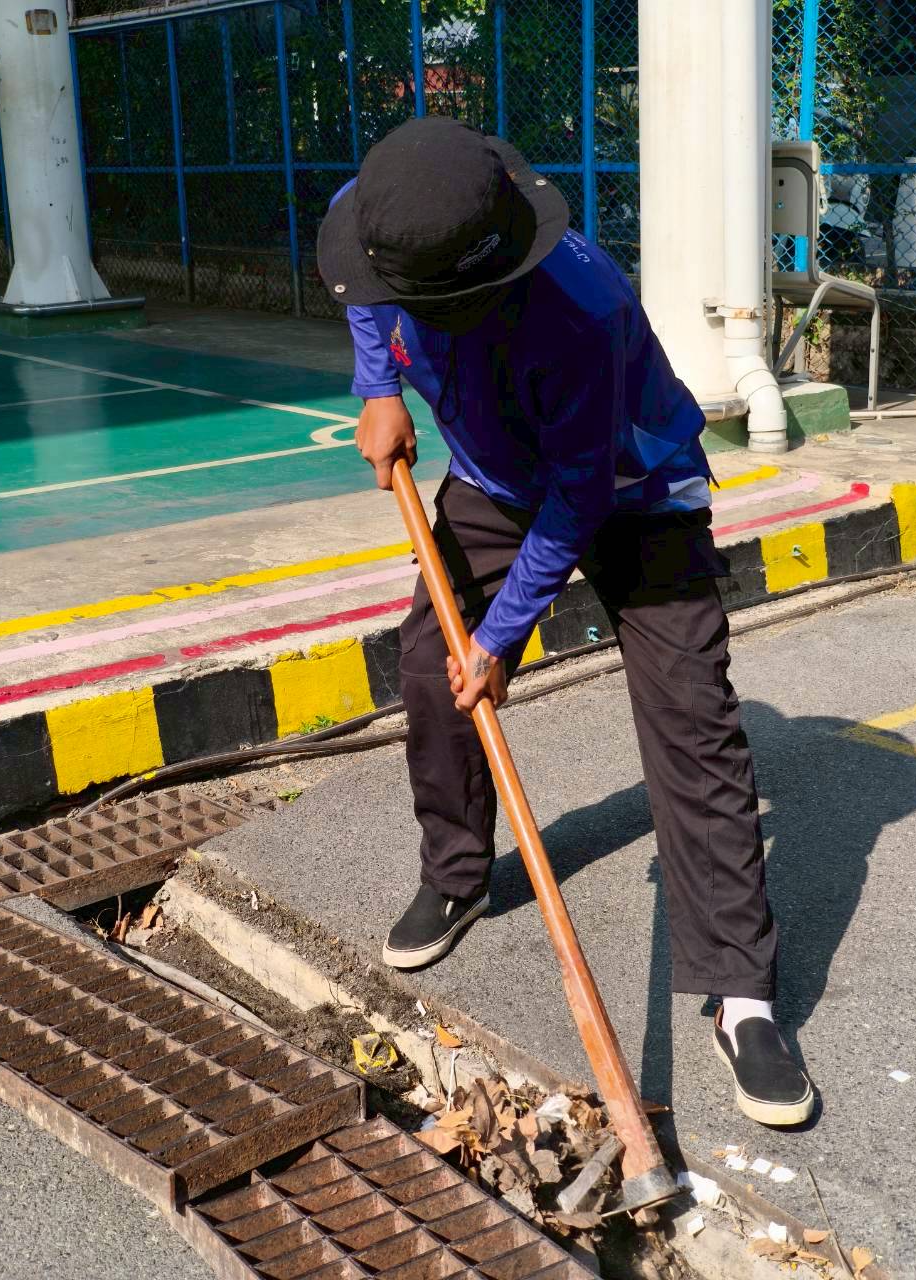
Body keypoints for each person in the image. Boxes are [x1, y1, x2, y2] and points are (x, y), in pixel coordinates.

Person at [318, 116, 813, 1127]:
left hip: (632, 485)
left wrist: (500, 638)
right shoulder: (380, 220)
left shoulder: (578, 314)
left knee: (691, 720)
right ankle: (457, 875)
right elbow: (366, 296)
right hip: (496, 478)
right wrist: (379, 387)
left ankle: (743, 992)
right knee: (429, 662)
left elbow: (580, 499)